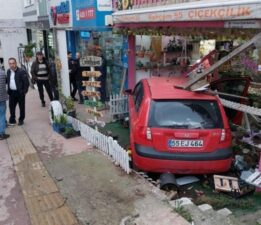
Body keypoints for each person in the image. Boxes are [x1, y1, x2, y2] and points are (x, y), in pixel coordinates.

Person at [6, 58, 29, 126]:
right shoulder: (8, 71)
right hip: (12, 93)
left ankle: (21, 120)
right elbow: (8, 80)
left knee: (21, 107)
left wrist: (24, 92)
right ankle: (12, 119)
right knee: (11, 107)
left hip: (20, 93)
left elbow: (26, 83)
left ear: (16, 63)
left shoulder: (21, 71)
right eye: (10, 63)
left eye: (13, 63)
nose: (12, 65)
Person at [0, 67, 9, 139]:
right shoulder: (3, 73)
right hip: (2, 98)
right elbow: (6, 82)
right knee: (2, 115)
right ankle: (1, 134)